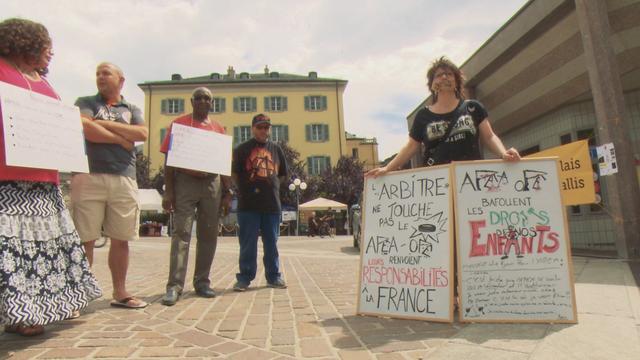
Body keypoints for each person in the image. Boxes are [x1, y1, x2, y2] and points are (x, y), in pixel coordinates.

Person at [0, 18, 101, 337]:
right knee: (11, 250)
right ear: (25, 43)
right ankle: (18, 312)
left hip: (43, 178)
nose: (51, 53)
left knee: (39, 252)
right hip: (8, 179)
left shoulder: (43, 82)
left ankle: (33, 311)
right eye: (46, 46)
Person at [71, 62, 148, 309]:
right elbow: (85, 127)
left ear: (121, 80)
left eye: (106, 73)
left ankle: (120, 292)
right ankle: (77, 297)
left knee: (121, 238)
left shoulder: (132, 108)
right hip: (88, 174)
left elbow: (142, 135)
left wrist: (101, 124)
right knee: (85, 238)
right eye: (97, 73)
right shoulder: (85, 101)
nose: (100, 77)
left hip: (124, 177)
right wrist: (122, 138)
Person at [365, 56, 520, 178]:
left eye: (449, 74)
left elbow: (489, 136)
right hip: (437, 182)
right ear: (432, 84)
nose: (445, 77)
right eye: (439, 75)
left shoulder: (473, 108)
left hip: (471, 178)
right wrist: (387, 168)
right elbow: (412, 146)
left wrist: (503, 153)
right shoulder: (423, 115)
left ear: (457, 80)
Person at [159, 87, 233, 306]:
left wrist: (228, 193)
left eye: (207, 98)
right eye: (198, 98)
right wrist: (169, 191)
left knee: (209, 234)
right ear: (191, 102)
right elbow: (169, 161)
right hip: (185, 182)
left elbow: (224, 165)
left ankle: (202, 282)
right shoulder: (179, 124)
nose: (202, 101)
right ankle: (174, 286)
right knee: (181, 233)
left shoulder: (218, 129)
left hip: (212, 183)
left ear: (212, 103)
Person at [232, 114, 288, 291]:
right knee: (248, 243)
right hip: (248, 205)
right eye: (260, 127)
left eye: (266, 127)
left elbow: (283, 174)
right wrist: (242, 189)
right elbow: (234, 173)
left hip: (271, 204)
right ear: (252, 129)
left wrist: (274, 186)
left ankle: (274, 276)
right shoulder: (241, 149)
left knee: (272, 242)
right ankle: (245, 278)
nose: (264, 130)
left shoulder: (276, 149)